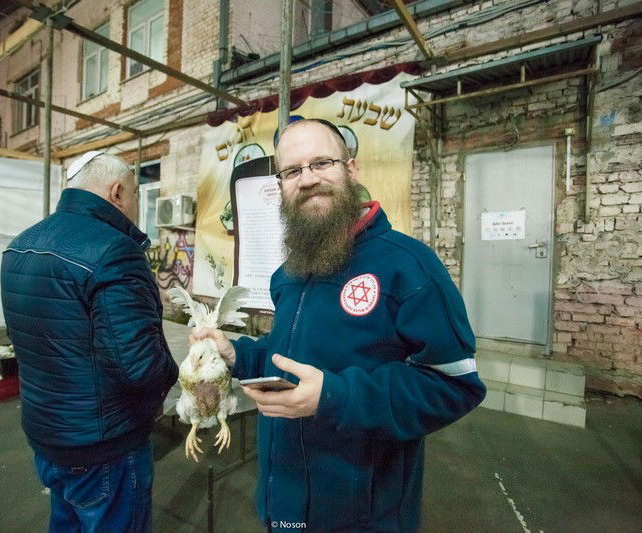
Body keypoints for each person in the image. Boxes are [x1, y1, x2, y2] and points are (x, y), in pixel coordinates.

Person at [192, 119, 486, 532]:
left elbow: (455, 385)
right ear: (281, 186)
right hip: (285, 501)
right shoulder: (290, 272)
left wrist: (333, 396)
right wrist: (237, 353)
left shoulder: (408, 266)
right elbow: (289, 354)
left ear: (351, 169)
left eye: (321, 163)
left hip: (362, 515)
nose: (307, 179)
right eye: (292, 171)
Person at [0, 151, 178, 532]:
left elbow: (24, 340)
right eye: (133, 194)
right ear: (117, 192)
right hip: (105, 447)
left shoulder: (19, 245)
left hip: (46, 435)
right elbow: (140, 368)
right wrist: (176, 375)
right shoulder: (114, 250)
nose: (134, 205)